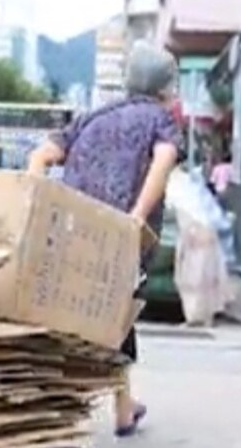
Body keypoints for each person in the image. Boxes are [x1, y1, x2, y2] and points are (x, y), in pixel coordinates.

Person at [26, 41, 182, 437]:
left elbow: (39, 158)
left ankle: (122, 404)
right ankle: (94, 407)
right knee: (116, 315)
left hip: (75, 230)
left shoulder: (93, 115)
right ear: (165, 85)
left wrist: (38, 210)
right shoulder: (160, 119)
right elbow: (163, 162)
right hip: (119, 237)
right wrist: (137, 217)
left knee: (94, 316)